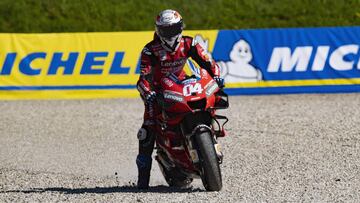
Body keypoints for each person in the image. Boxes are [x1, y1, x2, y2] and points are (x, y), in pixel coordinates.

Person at [136, 9, 224, 189]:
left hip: (181, 85)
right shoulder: (150, 50)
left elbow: (208, 61)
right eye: (166, 30)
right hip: (160, 91)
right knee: (146, 131)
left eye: (174, 29)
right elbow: (143, 78)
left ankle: (212, 134)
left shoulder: (189, 43)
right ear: (158, 31)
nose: (170, 34)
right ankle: (142, 181)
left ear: (181, 27)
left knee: (212, 100)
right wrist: (149, 93)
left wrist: (216, 76)